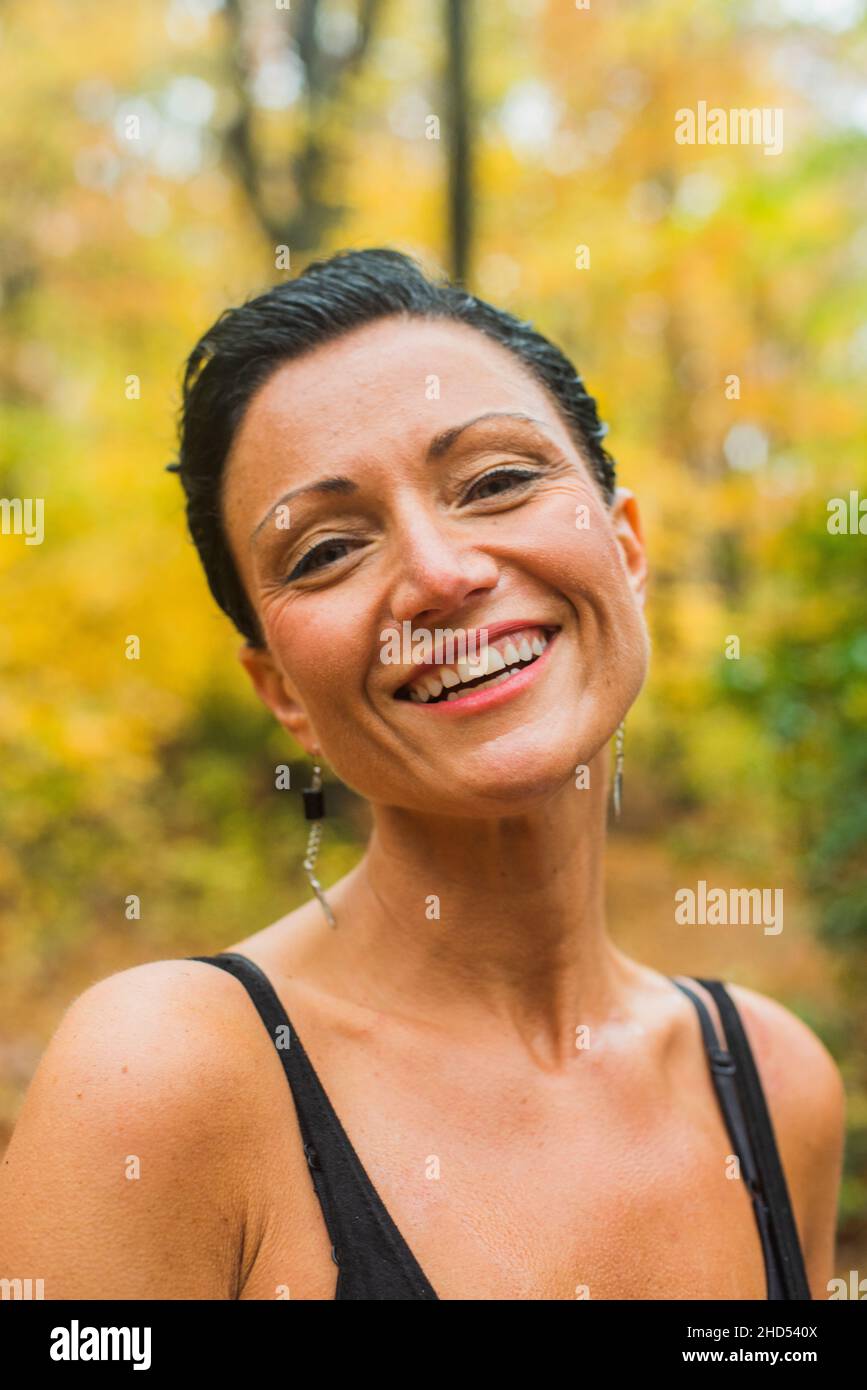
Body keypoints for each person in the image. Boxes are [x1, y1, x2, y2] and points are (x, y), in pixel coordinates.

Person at [0, 249, 845, 1300]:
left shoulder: (774, 1083)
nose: (442, 577)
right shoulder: (165, 1080)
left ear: (626, 549)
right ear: (282, 692)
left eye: (496, 481)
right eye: (325, 550)